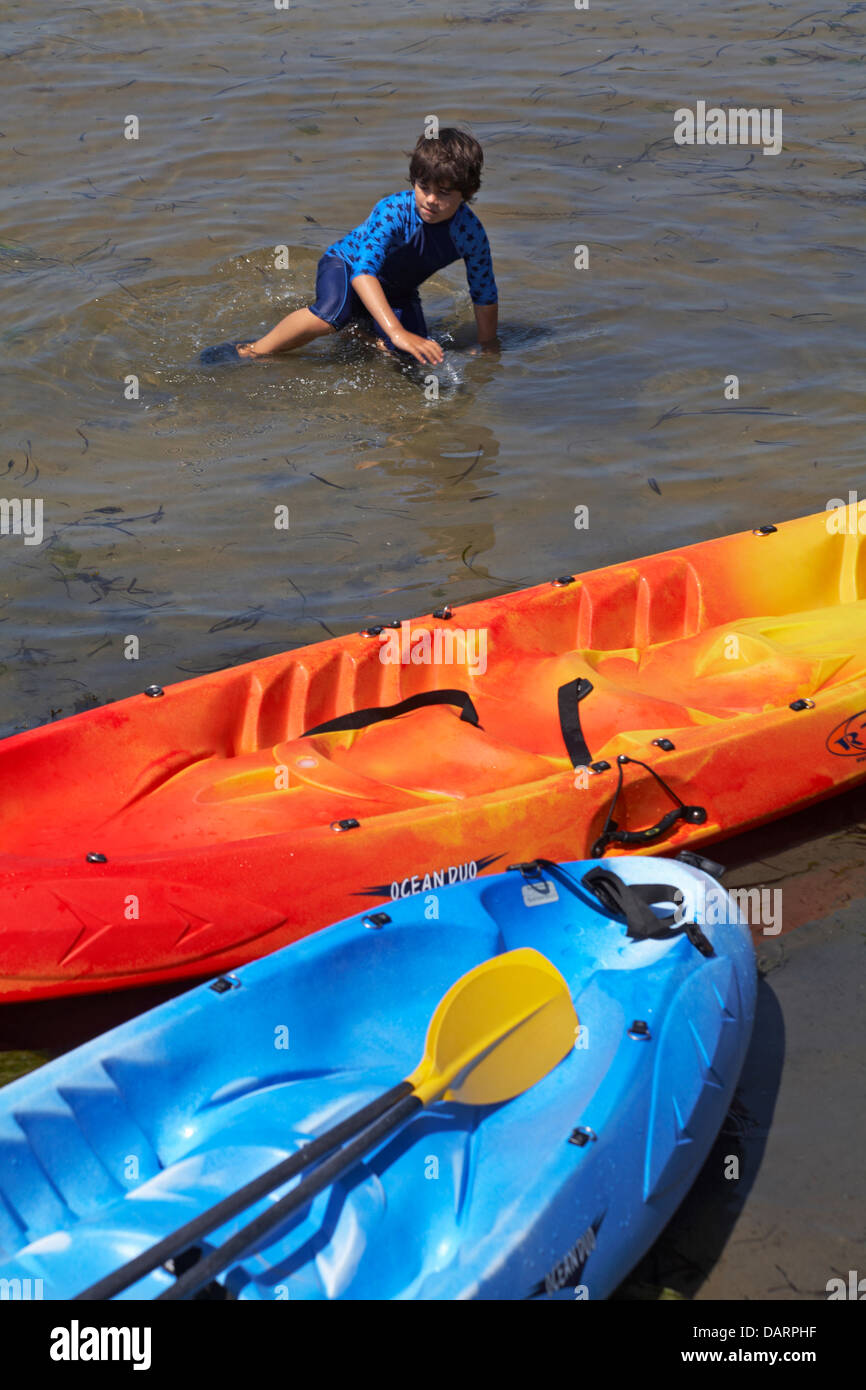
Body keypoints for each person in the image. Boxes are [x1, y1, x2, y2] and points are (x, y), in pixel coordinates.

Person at [200, 128, 498, 367]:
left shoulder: (470, 233)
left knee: (414, 357)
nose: (431, 199)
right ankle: (251, 350)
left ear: (467, 193)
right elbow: (363, 273)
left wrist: (487, 345)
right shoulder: (393, 211)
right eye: (424, 187)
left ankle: (361, 336)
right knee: (333, 314)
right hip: (345, 266)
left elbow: (483, 291)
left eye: (444, 193)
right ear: (413, 181)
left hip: (397, 291)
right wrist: (396, 330)